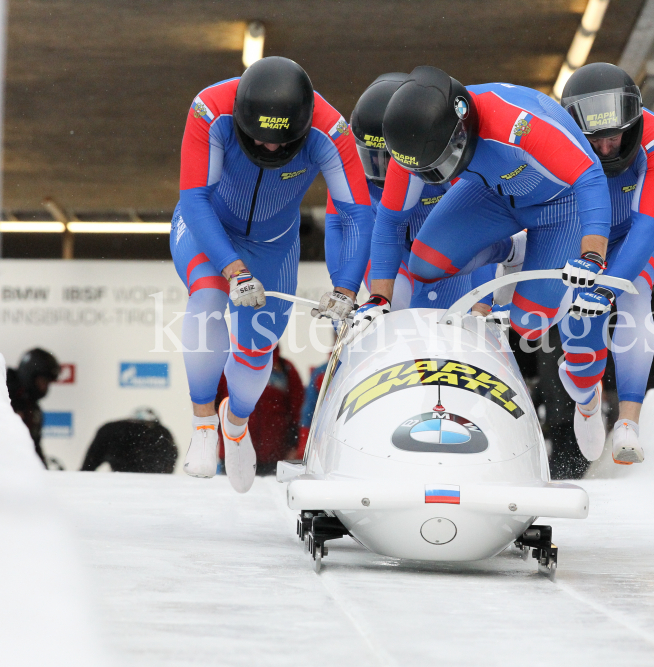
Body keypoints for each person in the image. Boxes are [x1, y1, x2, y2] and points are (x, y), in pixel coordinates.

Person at [172, 56, 374, 493]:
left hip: (274, 247)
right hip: (209, 229)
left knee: (257, 347)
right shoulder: (210, 108)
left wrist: (345, 288)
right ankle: (203, 423)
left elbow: (358, 214)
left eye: (280, 144)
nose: (267, 149)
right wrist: (231, 268)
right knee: (207, 297)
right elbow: (194, 198)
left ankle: (236, 422)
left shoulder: (331, 131)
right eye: (257, 140)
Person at [358, 66, 613, 354]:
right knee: (424, 264)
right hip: (495, 192)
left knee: (529, 324)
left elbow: (590, 176)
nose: (433, 176)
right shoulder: (411, 148)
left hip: (560, 206)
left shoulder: (516, 125)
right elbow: (390, 220)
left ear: (460, 131)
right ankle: (511, 251)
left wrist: (592, 252)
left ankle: (540, 259)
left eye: (439, 164)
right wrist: (378, 299)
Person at [556, 62, 654, 465]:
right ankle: (586, 397)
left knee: (634, 294)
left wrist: (611, 284)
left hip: (640, 231)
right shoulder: (553, 140)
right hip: (582, 234)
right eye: (596, 141)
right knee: (578, 312)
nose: (606, 149)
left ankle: (629, 422)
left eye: (615, 137)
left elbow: (648, 223)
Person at [349, 72, 519, 314]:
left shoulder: (443, 157)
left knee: (460, 316)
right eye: (373, 158)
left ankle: (512, 253)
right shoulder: (350, 154)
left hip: (444, 249)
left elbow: (474, 230)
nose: (384, 171)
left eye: (390, 157)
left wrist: (482, 301)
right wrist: (355, 293)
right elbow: (352, 223)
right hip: (397, 254)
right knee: (395, 303)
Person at [216, 346, 303, 475]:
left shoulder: (285, 369)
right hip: (234, 456)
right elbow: (214, 406)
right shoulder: (228, 366)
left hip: (275, 459)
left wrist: (294, 446)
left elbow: (298, 412)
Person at [5, 348, 60, 466]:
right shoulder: (4, 396)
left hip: (16, 475)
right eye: (43, 381)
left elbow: (33, 448)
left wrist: (43, 475)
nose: (45, 388)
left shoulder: (32, 408)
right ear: (30, 375)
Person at [80, 408, 177, 474]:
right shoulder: (163, 433)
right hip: (152, 485)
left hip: (121, 483)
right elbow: (170, 461)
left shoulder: (111, 430)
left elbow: (89, 465)